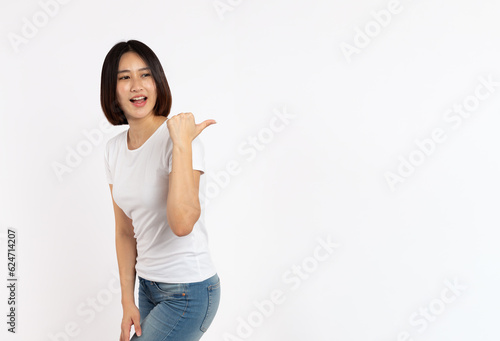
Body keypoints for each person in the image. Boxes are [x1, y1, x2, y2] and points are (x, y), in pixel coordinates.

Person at [101, 39, 221, 341]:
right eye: (124, 77)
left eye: (145, 75)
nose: (136, 86)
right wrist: (126, 299)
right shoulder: (113, 150)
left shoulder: (182, 140)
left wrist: (181, 144)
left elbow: (182, 223)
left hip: (189, 291)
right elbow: (124, 231)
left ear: (158, 82)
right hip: (148, 286)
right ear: (112, 91)